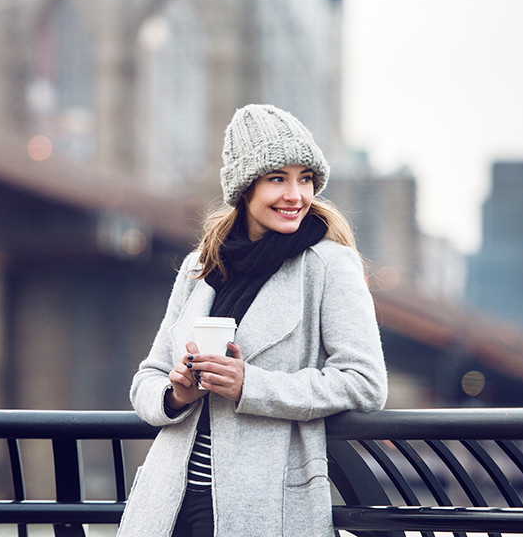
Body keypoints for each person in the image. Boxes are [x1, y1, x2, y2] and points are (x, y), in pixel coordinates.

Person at [117, 104, 388, 537]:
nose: (295, 195)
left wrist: (251, 385)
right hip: (168, 501)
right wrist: (176, 394)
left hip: (263, 503)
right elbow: (146, 377)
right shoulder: (201, 266)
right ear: (245, 188)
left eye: (305, 179)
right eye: (277, 178)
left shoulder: (328, 266)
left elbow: (365, 382)